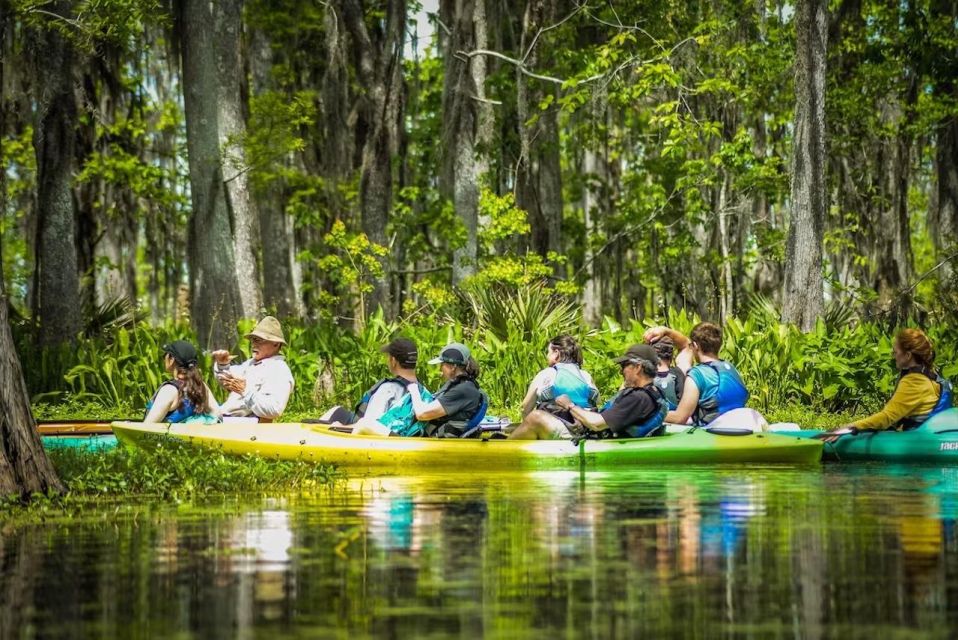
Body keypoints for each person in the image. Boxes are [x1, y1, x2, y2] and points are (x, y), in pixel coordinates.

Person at [509, 344, 668, 440]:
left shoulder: (639, 398)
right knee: (513, 427)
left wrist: (569, 405)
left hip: (593, 439)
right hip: (593, 431)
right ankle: (510, 438)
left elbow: (596, 424)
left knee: (536, 418)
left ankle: (504, 453)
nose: (621, 372)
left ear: (638, 367)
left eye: (624, 366)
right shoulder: (651, 392)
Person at [821, 328, 954, 442]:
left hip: (920, 443)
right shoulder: (931, 376)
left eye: (895, 352)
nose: (893, 356)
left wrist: (849, 427)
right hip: (932, 437)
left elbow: (887, 418)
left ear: (907, 355)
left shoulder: (914, 381)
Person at [644, 322, 748, 426]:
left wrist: (646, 414)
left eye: (691, 346)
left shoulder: (697, 375)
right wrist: (666, 331)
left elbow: (679, 418)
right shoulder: (730, 367)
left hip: (713, 433)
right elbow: (685, 344)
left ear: (695, 346)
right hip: (740, 427)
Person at [313, 337, 419, 425]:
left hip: (364, 432)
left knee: (335, 413)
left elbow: (369, 424)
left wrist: (341, 427)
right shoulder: (421, 390)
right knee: (338, 410)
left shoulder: (388, 389)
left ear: (393, 361)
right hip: (391, 428)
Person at [212, 316, 294, 422]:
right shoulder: (249, 364)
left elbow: (274, 409)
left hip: (247, 426)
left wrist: (244, 391)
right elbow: (226, 381)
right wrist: (222, 365)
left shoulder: (279, 369)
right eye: (253, 340)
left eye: (260, 340)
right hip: (227, 419)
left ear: (276, 344)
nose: (254, 344)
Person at [519, 335, 599, 422]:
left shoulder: (546, 374)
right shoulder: (585, 375)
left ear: (556, 353)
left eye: (548, 352)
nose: (547, 356)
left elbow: (525, 408)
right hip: (583, 427)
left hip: (551, 427)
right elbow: (597, 401)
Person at [144, 340, 219, 423]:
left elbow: (148, 426)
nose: (164, 359)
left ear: (172, 359)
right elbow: (218, 415)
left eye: (165, 355)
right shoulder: (201, 386)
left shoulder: (169, 390)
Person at [648, 336, 686, 411]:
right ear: (672, 356)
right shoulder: (677, 373)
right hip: (675, 418)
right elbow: (682, 400)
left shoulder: (647, 374)